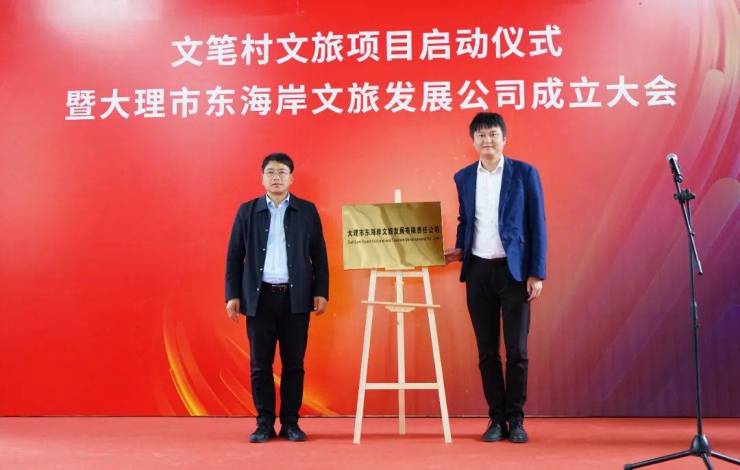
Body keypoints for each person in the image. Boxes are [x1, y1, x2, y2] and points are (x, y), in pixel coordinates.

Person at [444, 112, 546, 443]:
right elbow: (465, 220)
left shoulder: (524, 173)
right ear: (472, 141)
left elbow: (537, 223)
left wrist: (536, 272)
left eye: (493, 134)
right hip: (478, 272)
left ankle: (516, 419)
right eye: (481, 135)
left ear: (504, 138)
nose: (487, 140)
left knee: (517, 350)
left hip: (514, 273)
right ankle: (496, 418)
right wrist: (460, 249)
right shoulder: (463, 177)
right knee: (486, 351)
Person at [225, 152, 328, 443]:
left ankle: (291, 423)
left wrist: (321, 291)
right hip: (259, 299)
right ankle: (264, 424)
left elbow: (319, 255)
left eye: (282, 172)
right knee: (260, 365)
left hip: (296, 298)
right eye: (270, 172)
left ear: (291, 178)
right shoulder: (247, 211)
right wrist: (232, 295)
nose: (276, 177)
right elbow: (234, 256)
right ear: (262, 178)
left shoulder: (306, 211)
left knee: (294, 365)